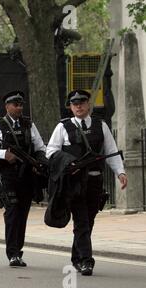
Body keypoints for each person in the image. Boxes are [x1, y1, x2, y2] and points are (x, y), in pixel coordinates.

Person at [46, 89, 127, 276]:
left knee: (88, 221)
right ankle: (86, 261)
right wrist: (68, 161)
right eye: (75, 103)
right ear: (71, 107)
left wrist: (120, 172)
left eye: (82, 102)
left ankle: (77, 257)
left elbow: (111, 151)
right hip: (74, 182)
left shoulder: (101, 125)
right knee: (81, 221)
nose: (79, 106)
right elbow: (51, 151)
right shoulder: (63, 127)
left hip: (95, 180)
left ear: (88, 104)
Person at [0, 90, 47, 267]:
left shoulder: (28, 124)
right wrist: (4, 154)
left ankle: (18, 251)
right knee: (12, 214)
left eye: (20, 105)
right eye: (15, 105)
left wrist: (39, 162)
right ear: (7, 106)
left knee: (23, 214)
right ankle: (12, 254)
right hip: (8, 176)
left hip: (26, 176)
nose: (19, 108)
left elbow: (40, 146)